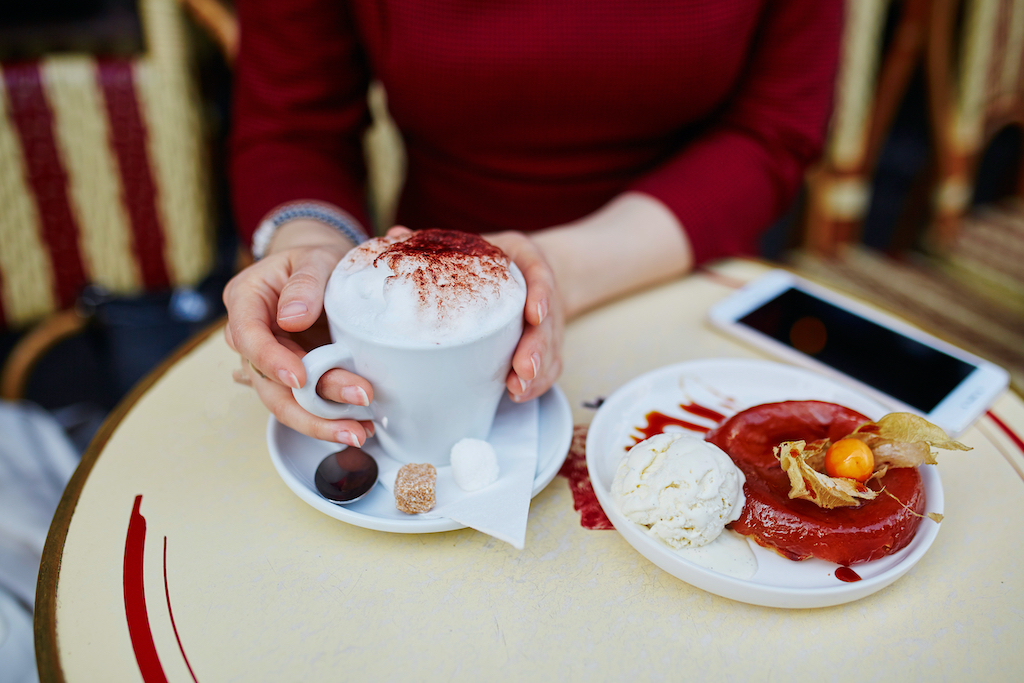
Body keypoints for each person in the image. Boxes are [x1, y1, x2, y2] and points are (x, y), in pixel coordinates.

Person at [223, 0, 842, 445]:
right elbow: (292, 127)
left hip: (672, 270)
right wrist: (313, 251)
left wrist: (556, 274)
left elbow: (773, 127)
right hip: (418, 309)